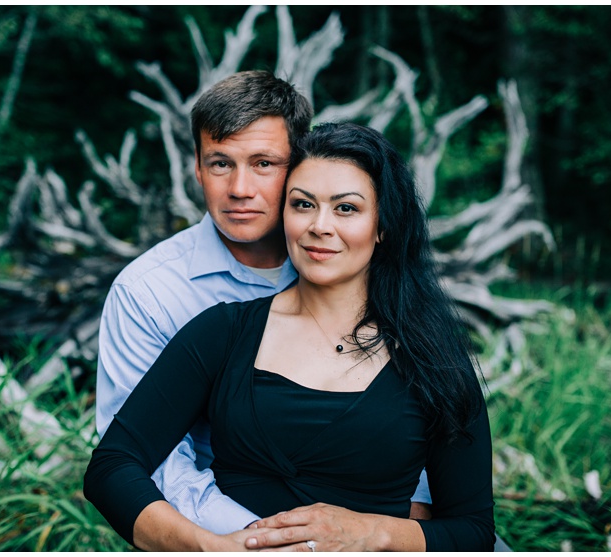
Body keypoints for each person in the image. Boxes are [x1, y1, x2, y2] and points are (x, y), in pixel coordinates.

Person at [85, 122, 495, 551]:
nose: (319, 225)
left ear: (383, 226)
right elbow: (113, 465)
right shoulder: (224, 331)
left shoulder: (430, 355)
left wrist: (374, 532)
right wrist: (212, 547)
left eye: (346, 209)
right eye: (303, 205)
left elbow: (473, 529)